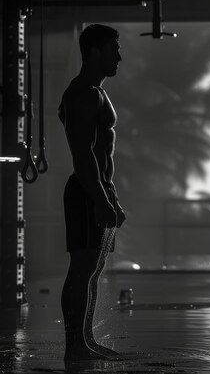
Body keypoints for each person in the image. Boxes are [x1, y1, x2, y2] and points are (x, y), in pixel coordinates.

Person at [58, 23, 127, 361]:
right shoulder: (82, 92)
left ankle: (85, 340)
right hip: (86, 191)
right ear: (94, 52)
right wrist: (100, 198)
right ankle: (75, 346)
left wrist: (111, 198)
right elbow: (84, 155)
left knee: (93, 271)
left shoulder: (96, 91)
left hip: (98, 190)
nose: (119, 57)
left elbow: (100, 156)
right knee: (82, 269)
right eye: (113, 49)